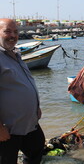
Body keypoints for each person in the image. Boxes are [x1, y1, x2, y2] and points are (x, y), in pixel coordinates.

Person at [0, 19, 45, 164]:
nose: (12, 35)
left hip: (29, 124)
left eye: (15, 32)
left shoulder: (16, 55)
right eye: (7, 31)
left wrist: (36, 107)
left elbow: (26, 84)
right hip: (8, 130)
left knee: (37, 149)